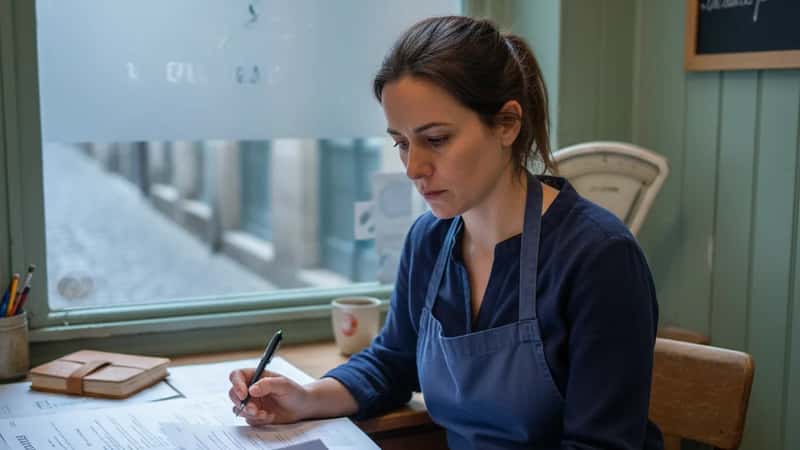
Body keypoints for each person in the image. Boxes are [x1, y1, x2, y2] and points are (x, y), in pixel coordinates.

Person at [229, 15, 663, 450]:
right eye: (401, 143)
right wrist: (305, 399)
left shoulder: (599, 258)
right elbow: (393, 362)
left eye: (435, 139)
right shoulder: (430, 241)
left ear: (507, 124)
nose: (413, 168)